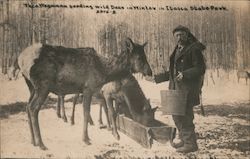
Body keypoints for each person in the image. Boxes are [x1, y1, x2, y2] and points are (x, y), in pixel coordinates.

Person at [154, 25, 206, 153]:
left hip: (187, 89)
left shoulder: (193, 49)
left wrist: (185, 74)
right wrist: (156, 78)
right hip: (175, 89)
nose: (179, 37)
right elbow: (172, 72)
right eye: (176, 35)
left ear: (187, 35)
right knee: (176, 116)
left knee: (185, 117)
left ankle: (190, 144)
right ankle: (184, 140)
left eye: (181, 34)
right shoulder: (177, 49)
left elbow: (200, 68)